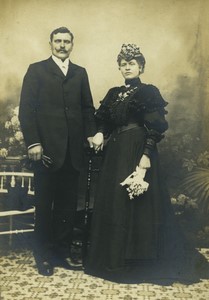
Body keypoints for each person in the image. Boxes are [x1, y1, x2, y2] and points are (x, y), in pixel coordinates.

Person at [85, 44, 209, 283]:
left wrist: (146, 156)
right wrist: (100, 132)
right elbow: (104, 121)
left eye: (132, 63)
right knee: (114, 202)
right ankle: (112, 260)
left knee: (136, 204)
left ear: (141, 67)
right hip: (115, 153)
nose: (127, 67)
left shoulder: (148, 92)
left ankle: (136, 262)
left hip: (137, 148)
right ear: (119, 67)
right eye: (123, 63)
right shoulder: (113, 93)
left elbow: (155, 127)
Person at [19, 27, 97, 276]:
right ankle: (42, 255)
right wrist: (33, 143)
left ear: (72, 44)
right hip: (46, 151)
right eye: (58, 41)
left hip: (73, 152)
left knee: (66, 206)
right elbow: (26, 110)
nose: (62, 45)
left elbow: (87, 109)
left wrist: (92, 134)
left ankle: (61, 252)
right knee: (44, 205)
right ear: (50, 43)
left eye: (66, 41)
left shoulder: (80, 73)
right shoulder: (37, 70)